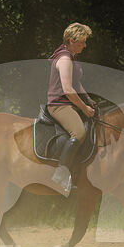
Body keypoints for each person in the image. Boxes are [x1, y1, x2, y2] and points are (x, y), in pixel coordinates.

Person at [47, 22, 96, 194]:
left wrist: (89, 100)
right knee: (79, 133)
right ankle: (61, 174)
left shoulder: (72, 57)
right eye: (82, 41)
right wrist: (84, 108)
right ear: (71, 40)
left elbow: (77, 84)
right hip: (59, 105)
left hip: (69, 103)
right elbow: (68, 90)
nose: (85, 45)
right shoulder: (65, 58)